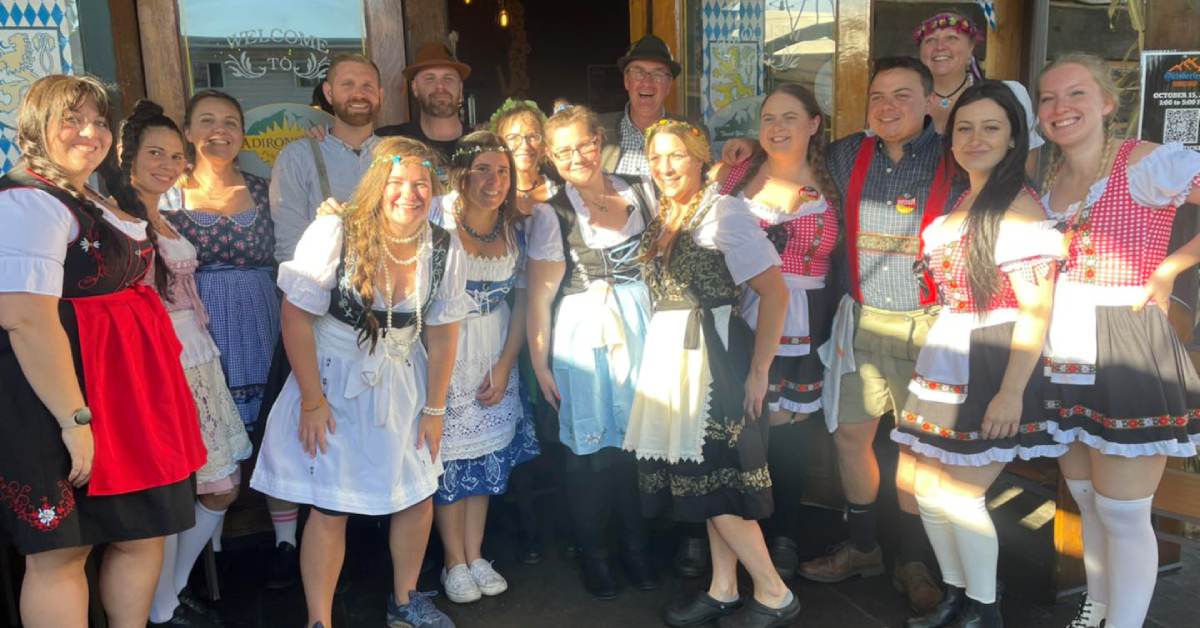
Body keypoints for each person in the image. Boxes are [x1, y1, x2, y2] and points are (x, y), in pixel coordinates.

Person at [0, 74, 205, 628]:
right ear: (36, 127)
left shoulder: (93, 192)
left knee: (142, 530)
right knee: (63, 550)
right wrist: (73, 419)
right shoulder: (26, 201)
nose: (89, 133)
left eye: (98, 121)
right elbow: (24, 317)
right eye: (72, 119)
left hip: (125, 390)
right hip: (58, 394)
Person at [250, 137, 468, 628]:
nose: (409, 194)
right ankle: (319, 620)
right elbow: (296, 317)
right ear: (376, 185)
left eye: (420, 184)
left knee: (416, 494)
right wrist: (311, 401)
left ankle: (406, 601)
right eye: (396, 183)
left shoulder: (443, 245)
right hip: (334, 378)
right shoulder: (336, 230)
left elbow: (444, 330)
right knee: (332, 506)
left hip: (404, 382)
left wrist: (435, 409)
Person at [891, 82, 1065, 628]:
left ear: (1015, 137)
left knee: (962, 495)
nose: (975, 138)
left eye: (991, 127)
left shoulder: (1018, 208)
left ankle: (984, 611)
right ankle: (957, 597)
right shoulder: (968, 199)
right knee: (928, 489)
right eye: (964, 127)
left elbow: (1037, 309)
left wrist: (1011, 391)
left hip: (992, 358)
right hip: (949, 355)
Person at [1036, 53, 1200, 628]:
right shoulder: (1046, 174)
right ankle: (1098, 608)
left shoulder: (1146, 162)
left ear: (1107, 102)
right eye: (1050, 99)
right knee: (1086, 502)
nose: (1061, 109)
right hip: (1064, 344)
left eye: (1076, 95)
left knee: (1124, 511)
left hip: (1125, 336)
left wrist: (1170, 268)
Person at [624, 118, 799, 628]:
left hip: (714, 358)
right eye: (656, 157)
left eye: (676, 154)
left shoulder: (725, 213)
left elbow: (776, 292)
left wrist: (760, 370)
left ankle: (773, 592)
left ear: (700, 158)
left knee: (718, 482)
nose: (665, 166)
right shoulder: (667, 214)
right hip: (674, 357)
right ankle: (723, 588)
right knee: (705, 485)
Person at [797, 57, 944, 612]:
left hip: (928, 326)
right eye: (878, 96)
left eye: (902, 96)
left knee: (917, 450)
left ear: (929, 102)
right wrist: (744, 154)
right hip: (857, 319)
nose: (887, 106)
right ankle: (863, 548)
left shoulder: (954, 156)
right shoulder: (846, 153)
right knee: (850, 438)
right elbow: (791, 165)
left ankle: (914, 560)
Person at [105, 99, 253, 627]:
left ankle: (168, 591)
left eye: (174, 154)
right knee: (170, 494)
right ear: (129, 157)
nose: (167, 163)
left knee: (220, 485)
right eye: (154, 153)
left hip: (197, 359)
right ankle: (159, 607)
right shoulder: (115, 221)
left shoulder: (160, 217)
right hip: (159, 365)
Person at [526, 105, 656, 599]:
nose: (576, 156)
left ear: (599, 141)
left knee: (633, 447)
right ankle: (596, 556)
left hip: (644, 329)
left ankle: (637, 548)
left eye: (583, 144)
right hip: (584, 335)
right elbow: (539, 297)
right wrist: (539, 363)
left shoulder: (641, 190)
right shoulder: (552, 213)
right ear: (551, 159)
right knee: (588, 453)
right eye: (562, 151)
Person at [714, 83, 841, 578]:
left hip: (806, 316)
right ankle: (737, 533)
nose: (777, 128)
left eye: (791, 117)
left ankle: (782, 532)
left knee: (787, 432)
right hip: (741, 312)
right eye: (768, 118)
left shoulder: (835, 176)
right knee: (742, 426)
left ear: (814, 124)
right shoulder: (739, 172)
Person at [160, 89, 283, 583]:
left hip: (265, 320)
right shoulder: (169, 192)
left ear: (243, 134)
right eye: (206, 120)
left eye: (231, 122)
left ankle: (284, 545)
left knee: (273, 433)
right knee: (211, 448)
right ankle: (202, 563)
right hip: (200, 332)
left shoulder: (264, 188)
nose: (219, 130)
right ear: (187, 131)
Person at [432, 131, 539, 604]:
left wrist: (506, 361)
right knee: (450, 461)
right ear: (462, 174)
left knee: (485, 456)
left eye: (502, 170)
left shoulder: (514, 226)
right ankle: (452, 562)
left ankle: (476, 554)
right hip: (447, 349)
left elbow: (521, 303)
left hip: (495, 347)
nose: (494, 180)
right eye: (482, 169)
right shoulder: (437, 218)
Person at [912, 10, 1044, 171]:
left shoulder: (1009, 94)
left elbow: (1026, 162)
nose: (940, 47)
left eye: (951, 38)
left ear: (971, 49)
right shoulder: (907, 101)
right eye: (930, 40)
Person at [599, 35, 689, 178]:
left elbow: (710, 187)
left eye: (658, 73)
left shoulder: (691, 132)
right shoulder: (596, 129)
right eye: (638, 72)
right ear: (627, 81)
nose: (647, 82)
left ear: (668, 86)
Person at [376, 42, 469, 160]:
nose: (440, 87)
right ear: (415, 88)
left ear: (460, 88)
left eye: (448, 78)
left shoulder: (482, 143)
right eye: (430, 78)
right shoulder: (390, 141)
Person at [491, 98, 561, 215]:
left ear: (544, 145)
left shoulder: (560, 192)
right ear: (499, 144)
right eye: (513, 137)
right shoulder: (490, 193)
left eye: (532, 136)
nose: (525, 145)